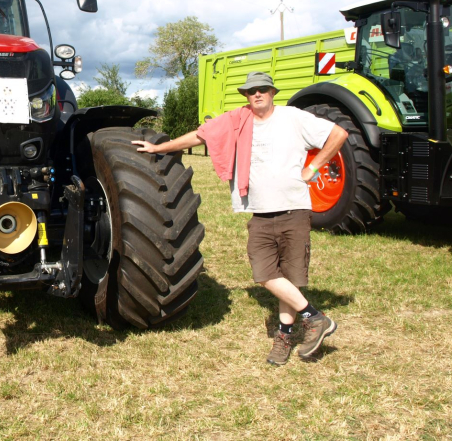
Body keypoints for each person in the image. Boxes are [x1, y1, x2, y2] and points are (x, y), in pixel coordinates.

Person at [133, 71, 348, 365]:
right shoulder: (237, 120)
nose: (256, 94)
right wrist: (158, 148)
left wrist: (314, 169)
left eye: (261, 89)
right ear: (246, 96)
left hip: (293, 210)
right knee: (264, 275)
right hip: (260, 214)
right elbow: (200, 135)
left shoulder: (293, 118)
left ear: (273, 91)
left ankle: (285, 335)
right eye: (250, 91)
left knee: (291, 279)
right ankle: (315, 317)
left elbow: (338, 134)